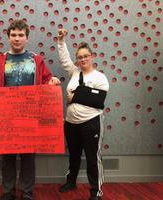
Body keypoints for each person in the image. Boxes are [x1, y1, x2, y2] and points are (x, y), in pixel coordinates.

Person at [0, 19, 60, 200]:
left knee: (29, 157)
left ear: (27, 38)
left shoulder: (37, 60)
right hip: (6, 117)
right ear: (8, 37)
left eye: (21, 35)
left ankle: (27, 193)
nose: (17, 38)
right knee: (7, 158)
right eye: (13, 35)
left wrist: (52, 82)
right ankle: (7, 193)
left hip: (31, 116)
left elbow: (46, 80)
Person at [57, 29, 109, 200]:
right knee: (73, 155)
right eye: (79, 57)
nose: (82, 59)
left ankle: (96, 191)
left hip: (91, 122)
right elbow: (65, 59)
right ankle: (71, 182)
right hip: (71, 123)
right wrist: (61, 41)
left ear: (92, 56)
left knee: (93, 158)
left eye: (85, 56)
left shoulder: (100, 77)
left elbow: (98, 100)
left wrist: (75, 95)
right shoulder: (74, 72)